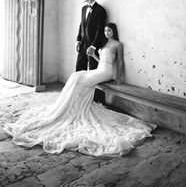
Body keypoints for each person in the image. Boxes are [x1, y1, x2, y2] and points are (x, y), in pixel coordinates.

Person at [3, 23, 156, 157]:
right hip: (99, 68)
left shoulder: (117, 45)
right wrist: (94, 55)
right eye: (105, 31)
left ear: (113, 31)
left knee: (81, 81)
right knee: (76, 76)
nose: (106, 33)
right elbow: (100, 61)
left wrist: (118, 78)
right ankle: (67, 107)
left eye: (109, 31)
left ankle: (74, 109)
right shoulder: (103, 45)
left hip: (107, 72)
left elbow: (120, 62)